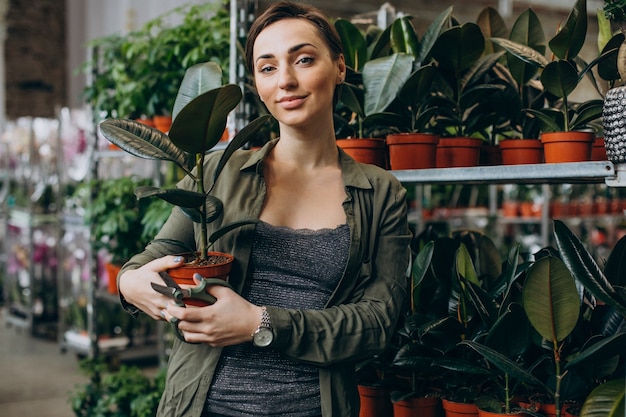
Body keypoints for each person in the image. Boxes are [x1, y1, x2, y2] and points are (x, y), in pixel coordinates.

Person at [117, 2, 412, 416]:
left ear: (340, 67)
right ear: (256, 82)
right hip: (202, 407)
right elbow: (155, 257)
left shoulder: (381, 193)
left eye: (304, 59)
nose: (286, 81)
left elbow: (378, 324)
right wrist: (131, 285)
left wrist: (260, 322)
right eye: (268, 67)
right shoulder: (218, 173)